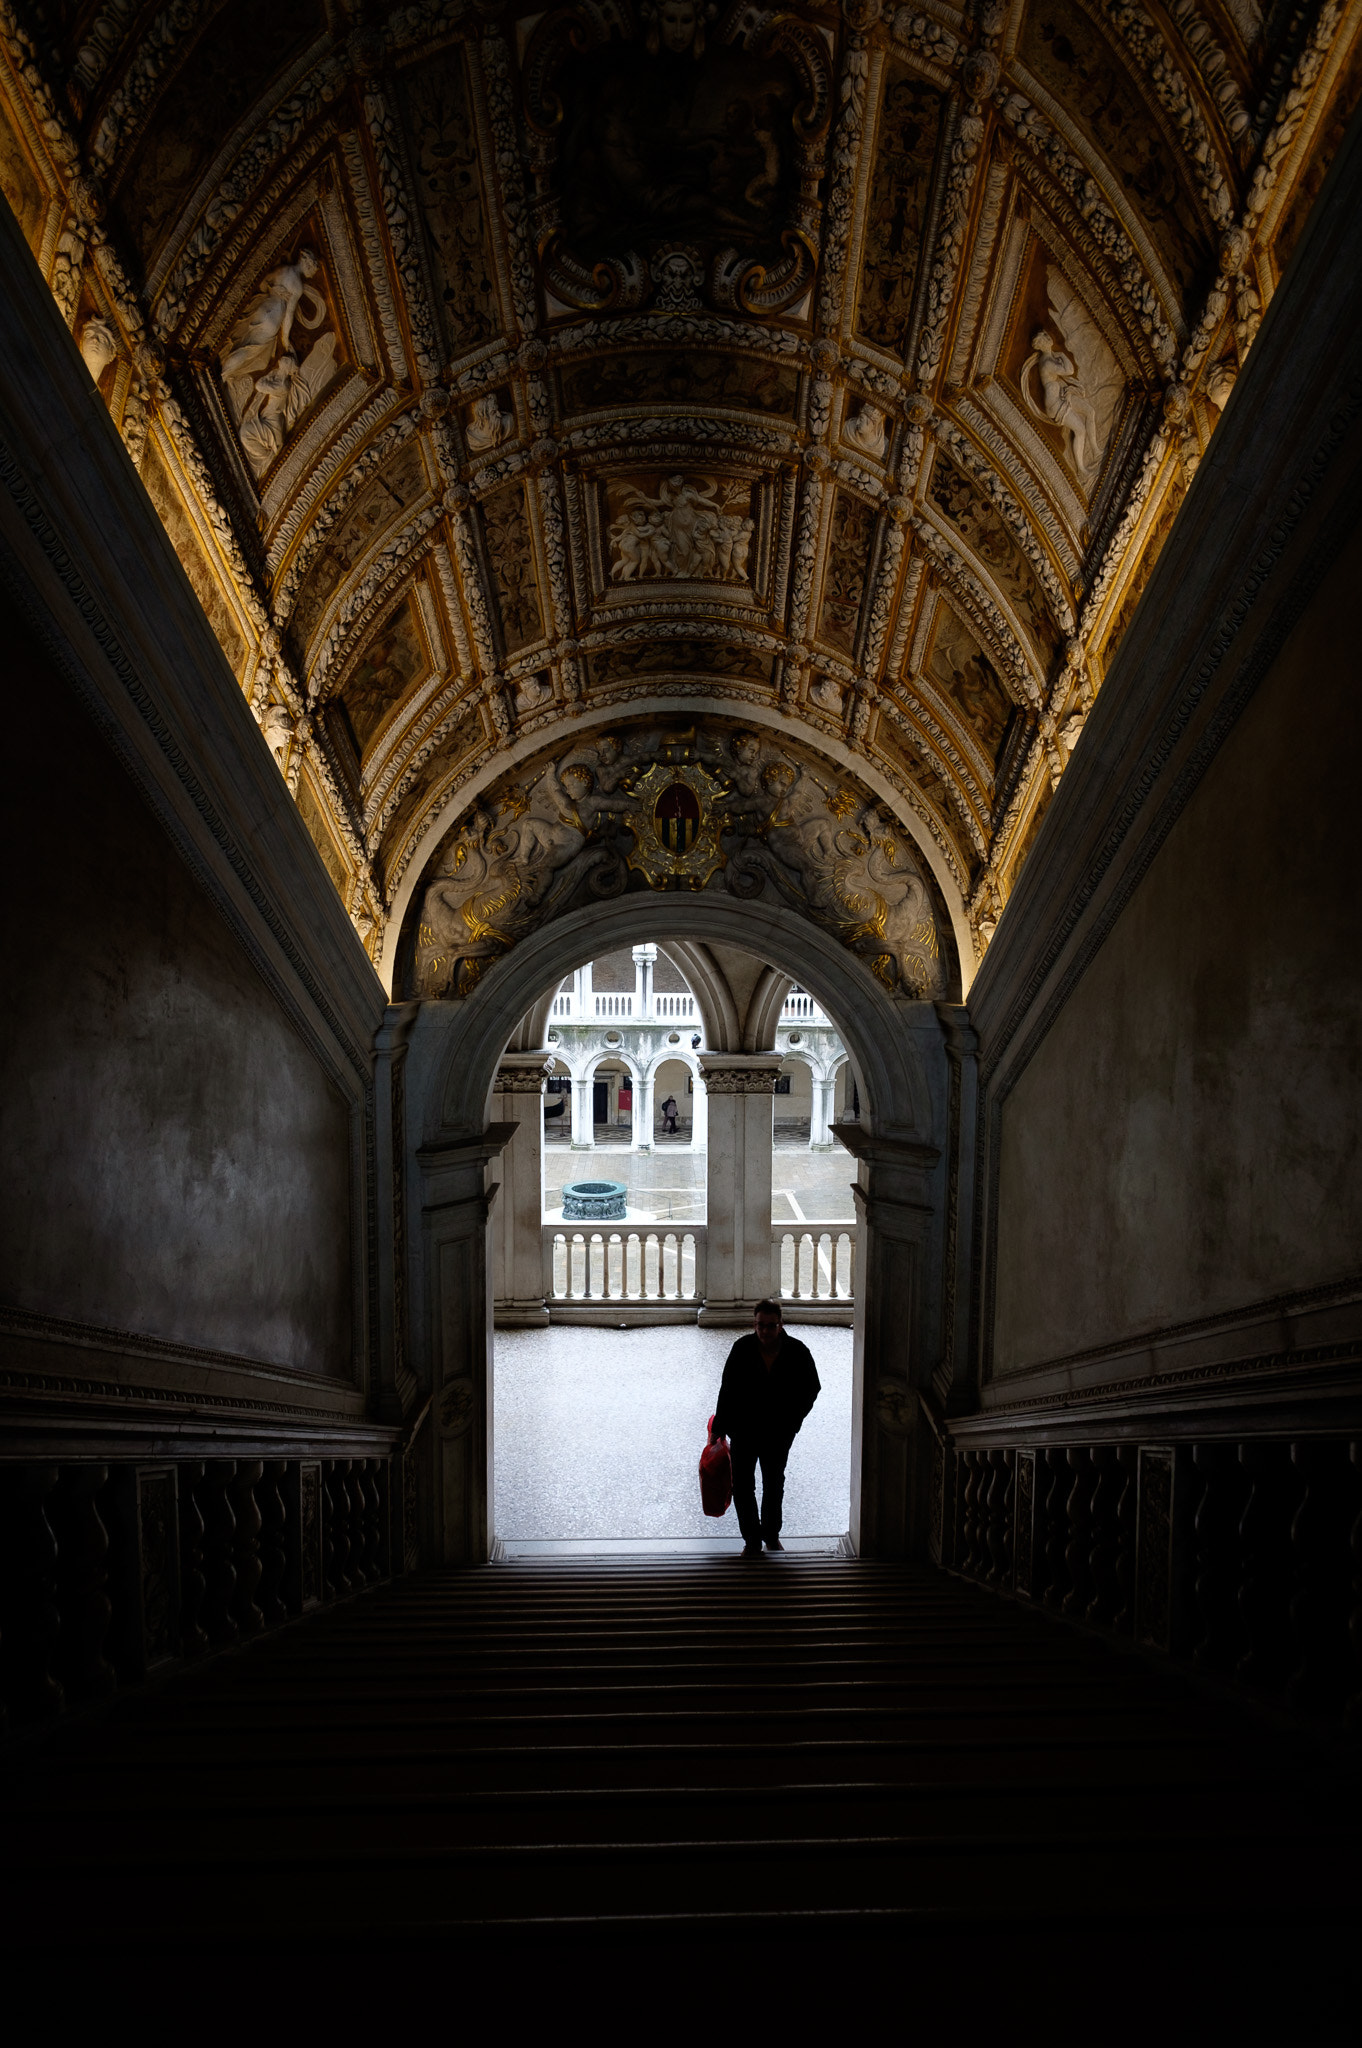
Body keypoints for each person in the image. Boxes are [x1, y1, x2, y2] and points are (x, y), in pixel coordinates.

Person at [710, 1299, 820, 1555]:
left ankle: (769, 1535)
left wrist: (793, 1423)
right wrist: (720, 1426)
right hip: (745, 1431)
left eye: (770, 1326)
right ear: (754, 1324)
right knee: (744, 1487)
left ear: (781, 1325)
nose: (765, 1331)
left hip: (777, 1433)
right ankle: (753, 1539)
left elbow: (811, 1389)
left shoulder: (797, 1351)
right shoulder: (742, 1348)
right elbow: (727, 1390)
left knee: (773, 1484)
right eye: (761, 1326)